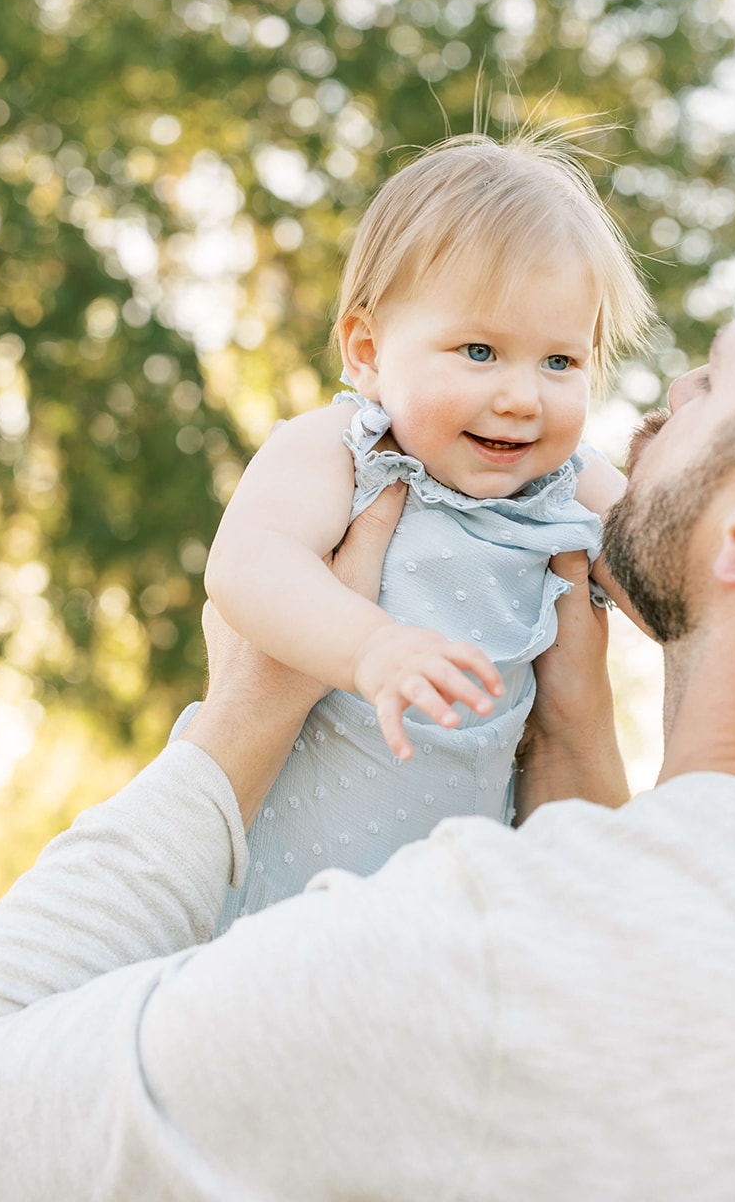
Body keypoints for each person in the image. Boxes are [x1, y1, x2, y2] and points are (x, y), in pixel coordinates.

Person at [0, 230, 735, 1202]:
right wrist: (573, 741)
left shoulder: (467, 963)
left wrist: (240, 721)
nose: (669, 385)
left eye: (715, 381)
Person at [195, 132, 651, 924]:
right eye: (479, 351)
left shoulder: (567, 480)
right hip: (274, 883)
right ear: (368, 352)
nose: (521, 398)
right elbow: (246, 563)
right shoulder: (342, 448)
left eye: (559, 362)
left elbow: (668, 578)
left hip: (449, 910)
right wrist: (368, 646)